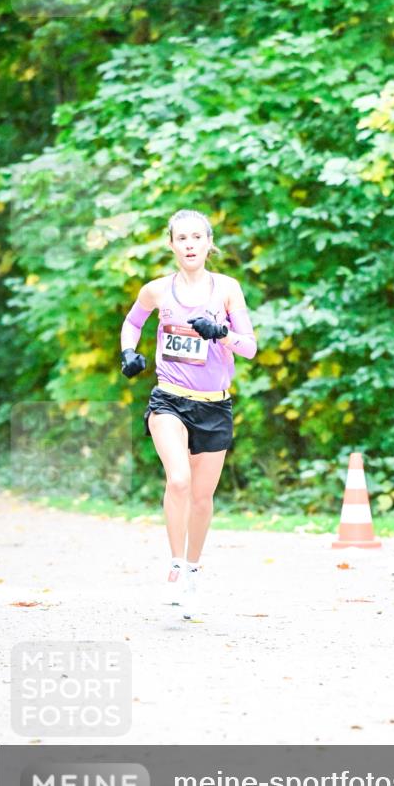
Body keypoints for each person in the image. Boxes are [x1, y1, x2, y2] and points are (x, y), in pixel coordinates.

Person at [120, 209, 257, 620]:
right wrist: (129, 352)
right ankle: (176, 567)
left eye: (197, 237)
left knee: (201, 496)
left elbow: (250, 347)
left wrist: (222, 334)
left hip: (214, 404)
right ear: (172, 245)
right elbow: (132, 323)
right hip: (170, 399)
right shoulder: (157, 291)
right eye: (182, 238)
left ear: (209, 242)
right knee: (178, 480)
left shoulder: (228, 289)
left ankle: (193, 568)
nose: (190, 244)